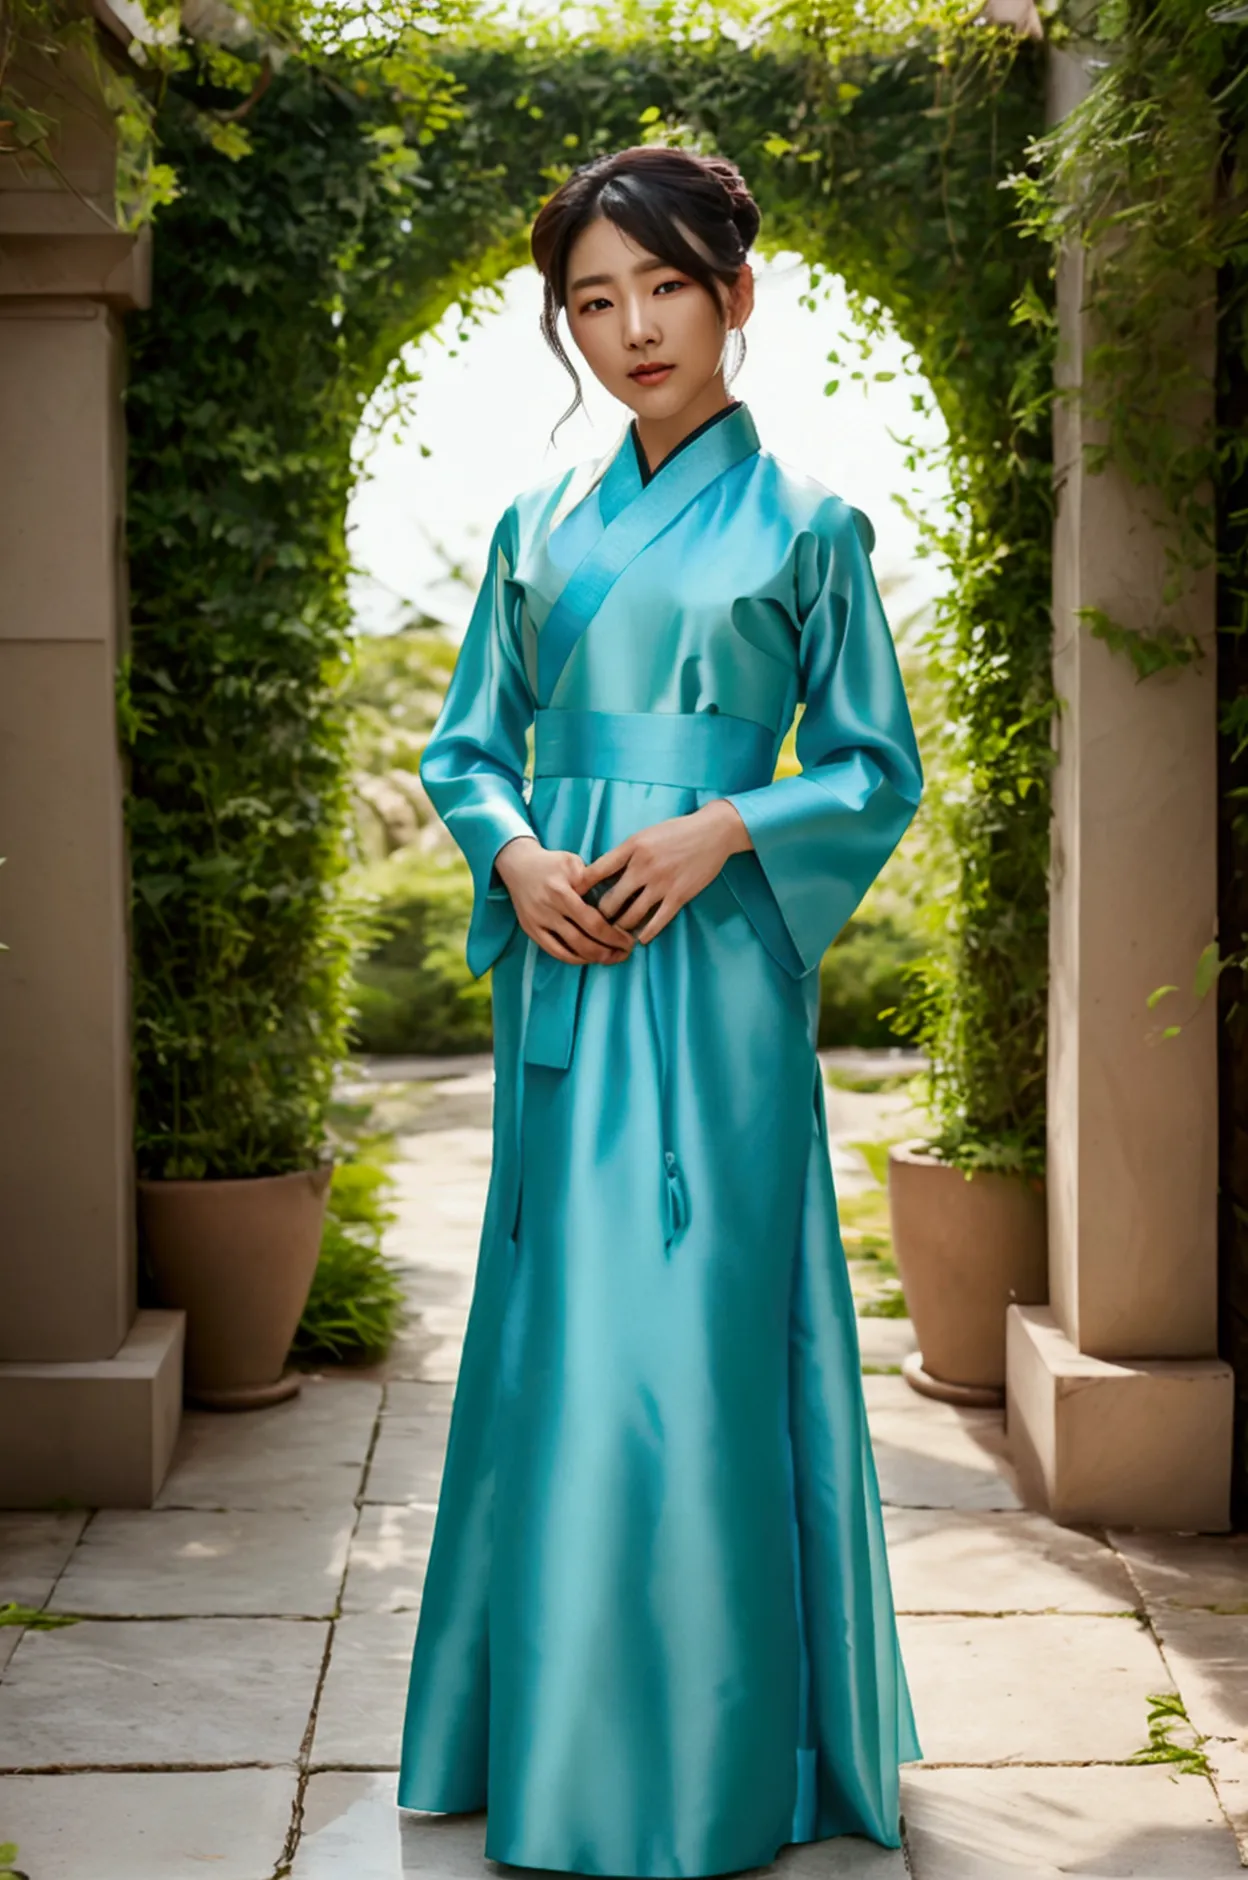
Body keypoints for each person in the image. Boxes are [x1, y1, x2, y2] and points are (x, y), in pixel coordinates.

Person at [397, 143, 925, 1877]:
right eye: (594, 302)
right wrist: (516, 854)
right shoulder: (533, 528)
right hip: (567, 966)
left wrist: (727, 825)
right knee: (565, 1344)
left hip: (715, 988)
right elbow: (468, 742)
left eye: (664, 291)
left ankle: (711, 1760)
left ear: (735, 298)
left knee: (699, 1345)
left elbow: (873, 769)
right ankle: (547, 1738)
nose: (631, 330)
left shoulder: (810, 527)